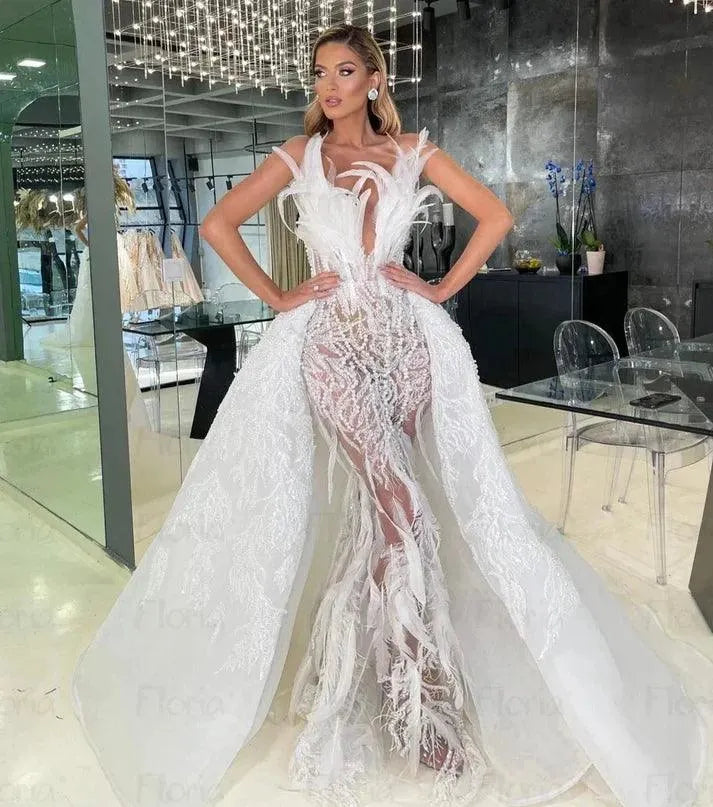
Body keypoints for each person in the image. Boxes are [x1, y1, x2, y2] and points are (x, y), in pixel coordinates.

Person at [71, 22, 706, 807]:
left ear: (373, 80)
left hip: (407, 349)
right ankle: (421, 703)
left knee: (394, 515)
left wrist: (438, 289)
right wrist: (278, 295)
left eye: (343, 71)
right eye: (318, 73)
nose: (327, 86)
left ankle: (386, 676)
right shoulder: (297, 156)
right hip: (331, 347)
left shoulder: (412, 151)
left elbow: (494, 217)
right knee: (398, 505)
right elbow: (215, 225)